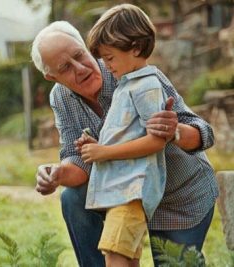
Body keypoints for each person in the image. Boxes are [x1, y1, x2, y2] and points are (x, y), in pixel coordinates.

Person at [30, 20, 218, 267]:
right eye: (65, 67)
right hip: (123, 194)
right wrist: (57, 174)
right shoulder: (61, 97)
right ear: (51, 76)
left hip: (177, 194)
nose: (80, 68)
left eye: (79, 55)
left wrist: (175, 131)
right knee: (72, 197)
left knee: (177, 264)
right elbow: (78, 160)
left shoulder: (132, 68)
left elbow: (204, 132)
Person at [76, 4, 168, 266]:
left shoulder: (146, 86)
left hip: (132, 190)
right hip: (122, 190)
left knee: (115, 255)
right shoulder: (127, 85)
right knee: (124, 257)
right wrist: (98, 145)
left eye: (110, 57)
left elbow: (156, 140)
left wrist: (104, 152)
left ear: (136, 48)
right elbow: (129, 136)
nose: (106, 65)